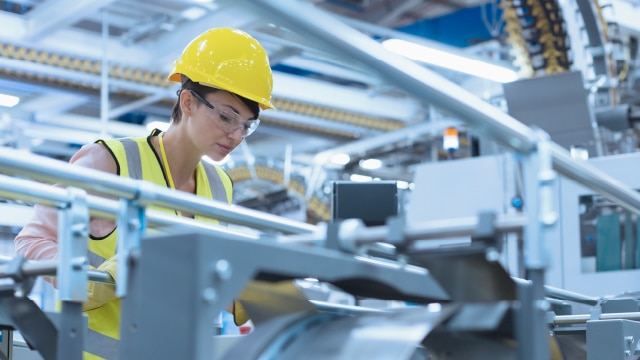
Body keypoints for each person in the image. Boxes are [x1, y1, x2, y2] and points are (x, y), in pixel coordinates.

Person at [14, 27, 275, 360]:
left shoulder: (220, 184)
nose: (236, 135)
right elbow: (30, 242)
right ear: (188, 102)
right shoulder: (109, 162)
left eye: (248, 125)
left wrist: (262, 291)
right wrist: (87, 278)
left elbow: (200, 277)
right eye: (227, 117)